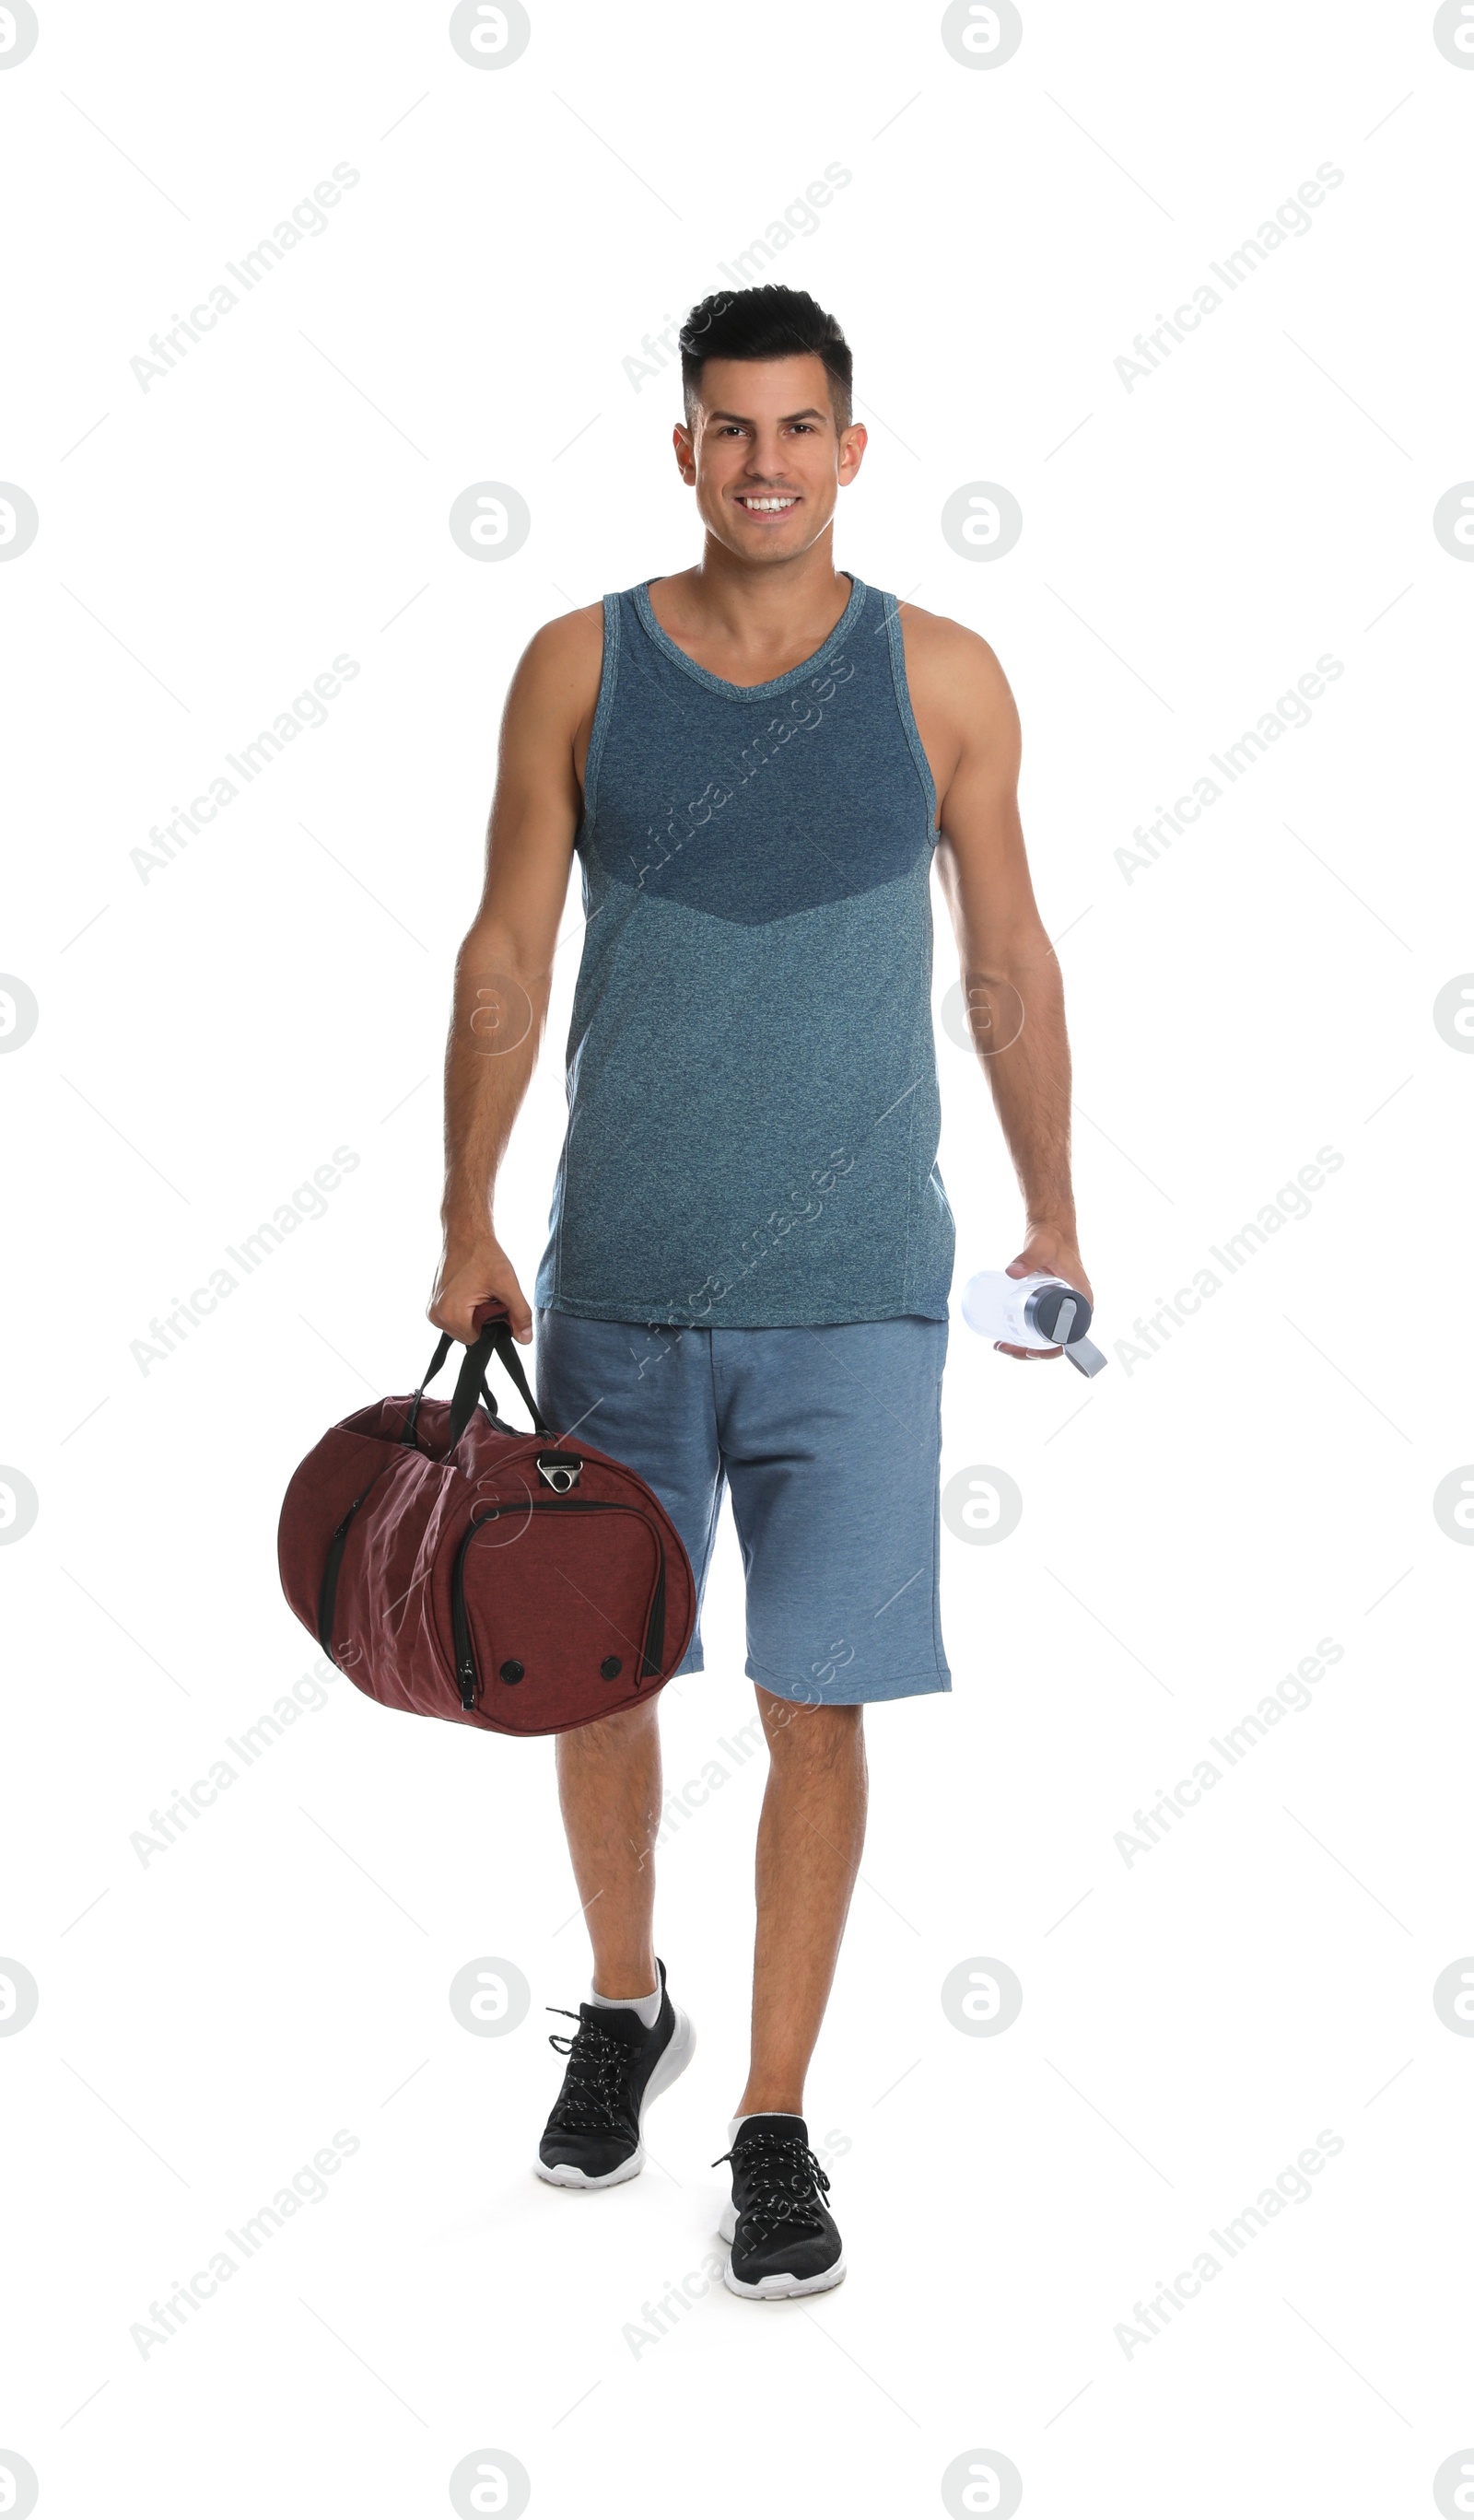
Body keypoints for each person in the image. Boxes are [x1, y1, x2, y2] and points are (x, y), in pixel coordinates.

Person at [429, 285, 1092, 2300]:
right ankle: (622, 2004)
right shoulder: (575, 667)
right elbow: (499, 957)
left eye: (797, 428)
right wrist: (463, 1213)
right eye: (729, 430)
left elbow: (1006, 968)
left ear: (851, 451)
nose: (765, 463)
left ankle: (773, 2119)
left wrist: (1052, 1215)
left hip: (861, 1302)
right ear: (684, 450)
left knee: (816, 1709)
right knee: (601, 1678)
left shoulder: (944, 678)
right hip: (618, 1283)